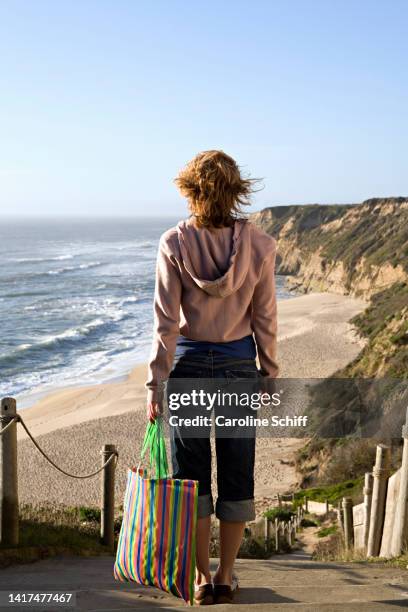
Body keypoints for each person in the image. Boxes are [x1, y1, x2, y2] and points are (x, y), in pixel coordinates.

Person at [146, 150, 278, 605]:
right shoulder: (260, 244)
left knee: (191, 477)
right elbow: (265, 317)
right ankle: (226, 575)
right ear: (236, 189)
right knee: (238, 470)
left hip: (188, 368)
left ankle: (200, 578)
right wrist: (269, 372)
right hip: (241, 367)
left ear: (191, 190)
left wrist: (155, 384)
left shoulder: (173, 242)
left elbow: (165, 324)